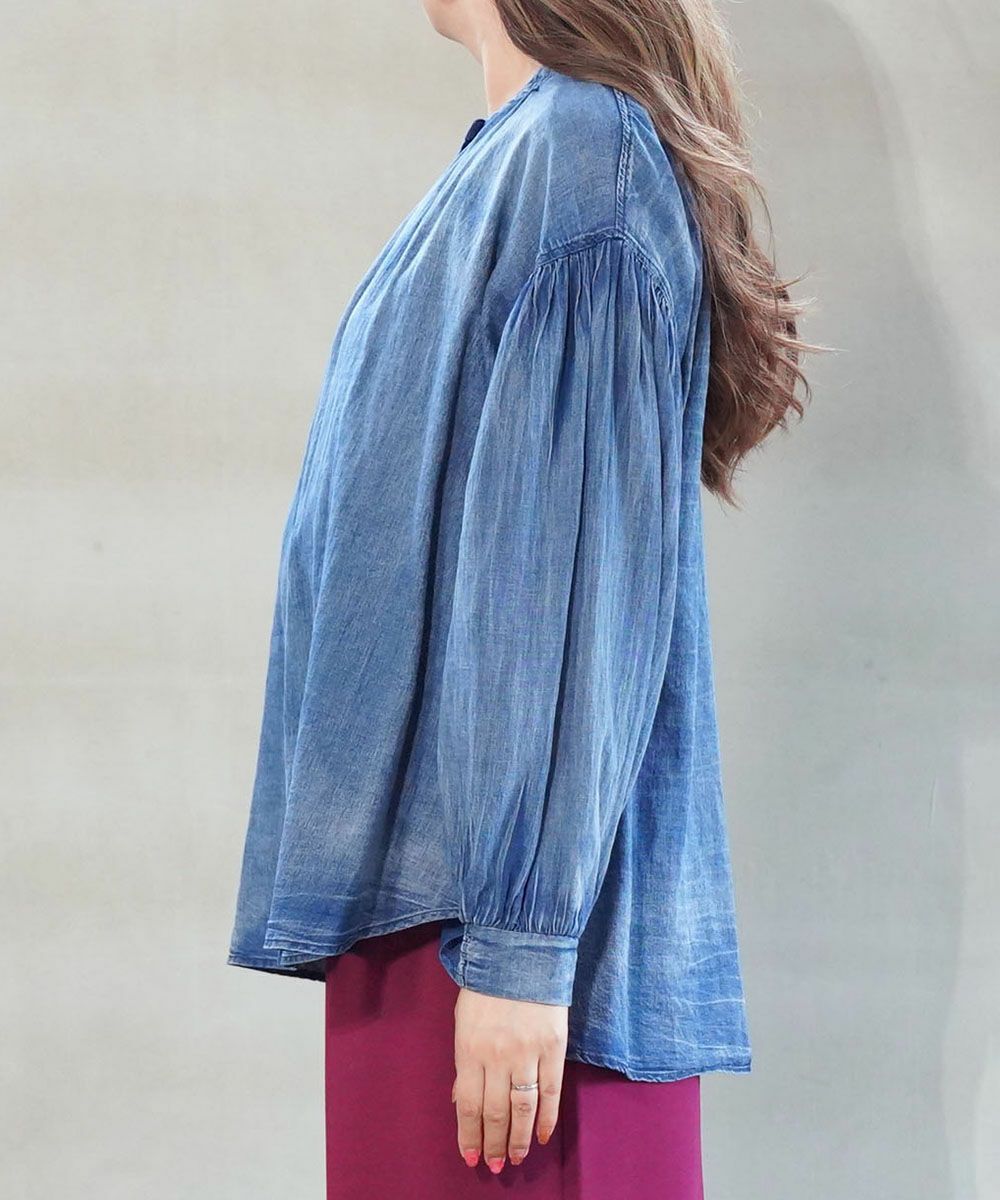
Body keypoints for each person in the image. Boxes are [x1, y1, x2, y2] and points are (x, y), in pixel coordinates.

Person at [227, 1, 814, 1195]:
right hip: (435, 917)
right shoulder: (519, 157)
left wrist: (520, 953)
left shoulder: (580, 153)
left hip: (502, 948)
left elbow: (570, 578)